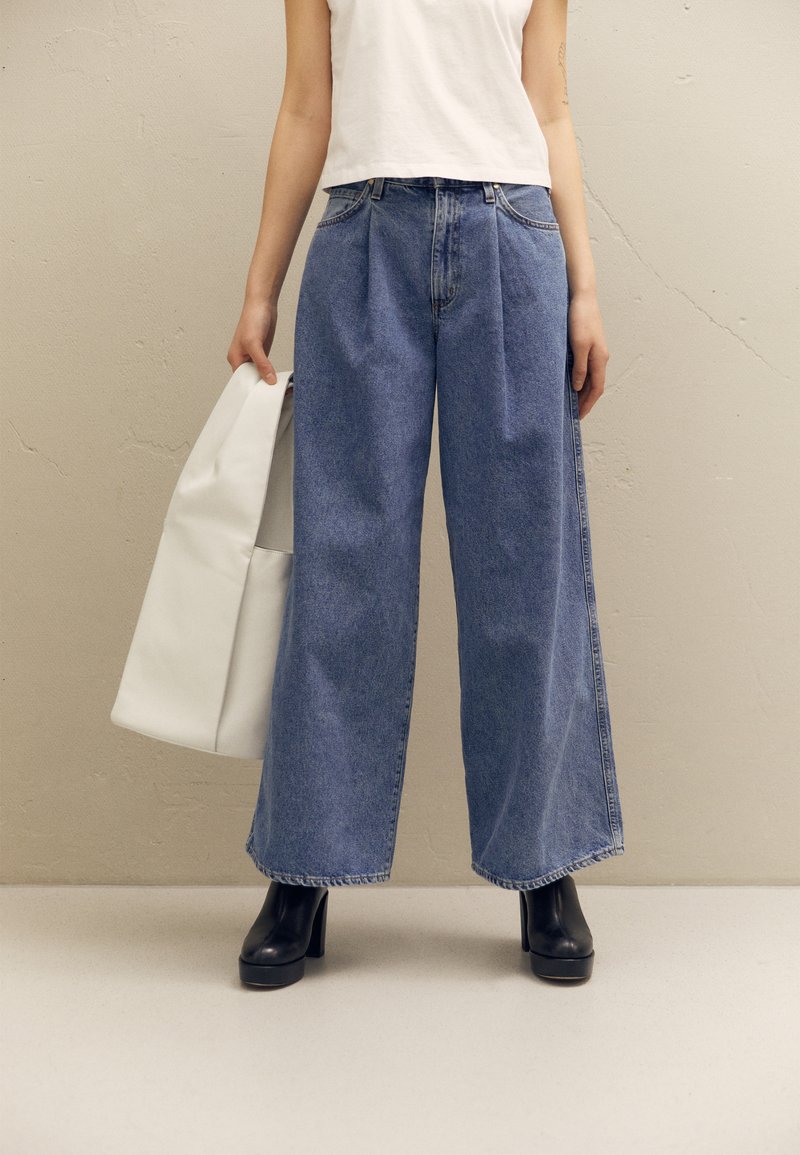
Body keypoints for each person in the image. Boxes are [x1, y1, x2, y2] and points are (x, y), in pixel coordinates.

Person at [231, 0, 625, 989]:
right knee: (341, 568)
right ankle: (303, 865)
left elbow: (549, 107)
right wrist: (259, 289)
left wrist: (583, 287)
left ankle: (543, 865)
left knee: (524, 566)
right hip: (364, 233)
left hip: (512, 233)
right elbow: (306, 105)